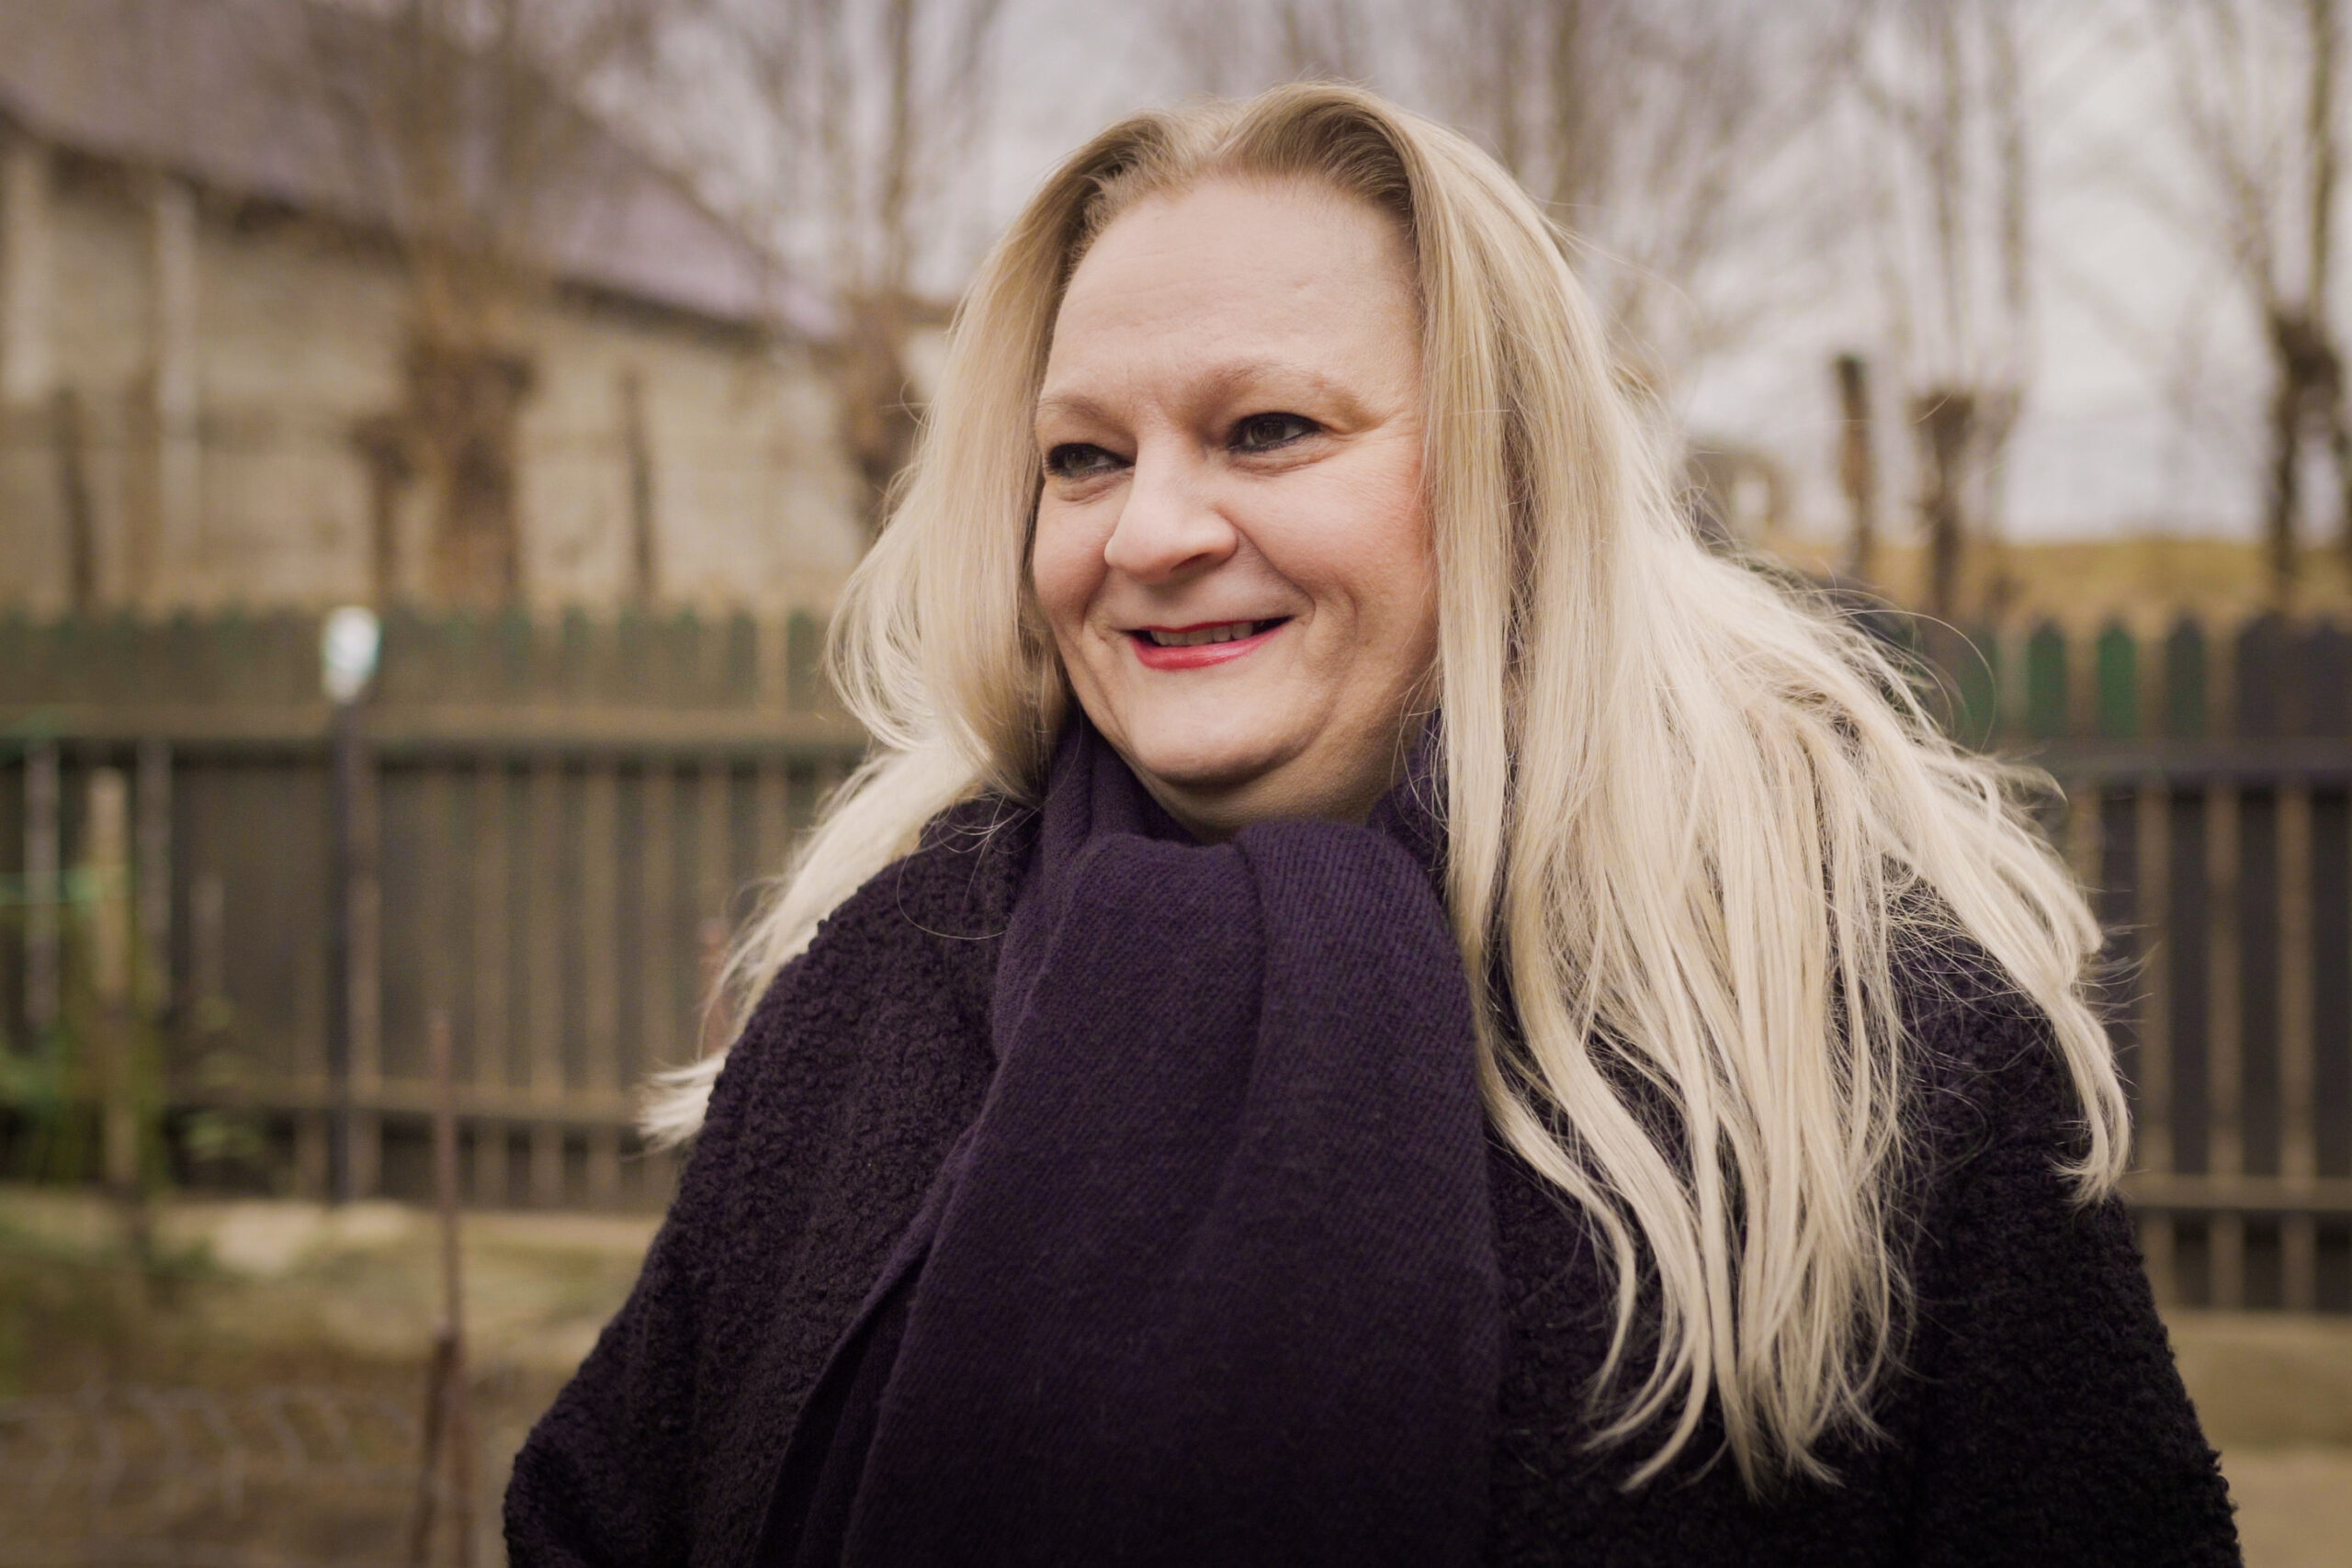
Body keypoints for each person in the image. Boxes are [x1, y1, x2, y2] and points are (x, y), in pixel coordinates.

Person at [505, 85, 2240, 1567]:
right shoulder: (888, 977)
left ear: (1506, 475)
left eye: (1268, 430)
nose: (1150, 530)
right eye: (1085, 457)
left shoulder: (1850, 1048)